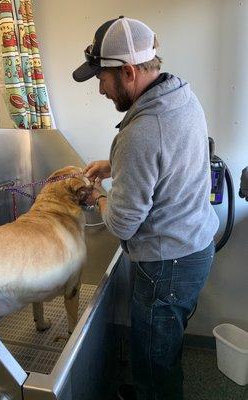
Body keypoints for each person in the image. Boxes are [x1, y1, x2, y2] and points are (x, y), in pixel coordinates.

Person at [73, 16, 219, 400]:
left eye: (101, 78)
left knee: (155, 361)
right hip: (193, 249)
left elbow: (121, 224)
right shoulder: (179, 94)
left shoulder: (140, 132)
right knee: (162, 347)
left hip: (167, 266)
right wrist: (114, 166)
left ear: (129, 72)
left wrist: (98, 195)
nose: (100, 89)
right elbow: (166, 160)